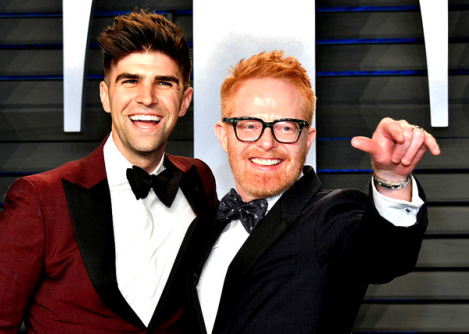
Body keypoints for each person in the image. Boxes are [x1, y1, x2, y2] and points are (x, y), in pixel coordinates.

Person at [0, 9, 217, 333]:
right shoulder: (40, 201)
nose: (147, 98)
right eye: (130, 81)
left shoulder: (199, 180)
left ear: (184, 101)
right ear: (105, 96)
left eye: (164, 83)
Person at [184, 50, 440, 334]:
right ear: (223, 135)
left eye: (286, 127)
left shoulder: (331, 216)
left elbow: (384, 255)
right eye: (249, 125)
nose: (267, 142)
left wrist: (391, 179)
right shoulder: (201, 226)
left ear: (308, 140)